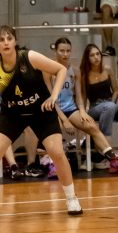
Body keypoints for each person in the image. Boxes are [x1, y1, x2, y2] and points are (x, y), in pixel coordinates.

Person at [0, 25, 82, 215]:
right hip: (13, 113)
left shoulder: (29, 57)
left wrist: (54, 95)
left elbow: (60, 70)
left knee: (56, 152)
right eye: (1, 40)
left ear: (15, 41)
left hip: (41, 111)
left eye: (9, 38)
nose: (5, 42)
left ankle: (72, 198)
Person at [52, 36, 118, 171]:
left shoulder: (75, 71)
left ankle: (113, 160)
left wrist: (82, 111)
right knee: (53, 132)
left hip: (71, 109)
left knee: (92, 126)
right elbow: (50, 97)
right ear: (56, 51)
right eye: (62, 51)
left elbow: (79, 96)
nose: (65, 54)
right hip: (54, 109)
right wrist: (63, 119)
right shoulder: (48, 70)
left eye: (68, 51)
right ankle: (52, 163)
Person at [79, 44, 118, 152]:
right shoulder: (84, 75)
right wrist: (83, 112)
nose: (96, 57)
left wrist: (112, 103)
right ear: (87, 58)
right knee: (109, 107)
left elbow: (116, 90)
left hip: (110, 103)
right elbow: (83, 95)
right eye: (92, 55)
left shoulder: (107, 69)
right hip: (95, 107)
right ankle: (104, 143)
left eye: (98, 54)